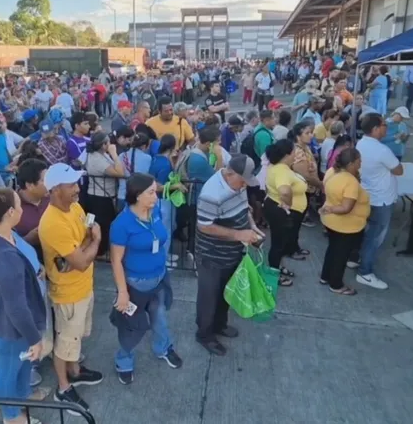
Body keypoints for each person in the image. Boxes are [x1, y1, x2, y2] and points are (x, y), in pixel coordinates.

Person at [0, 188, 50, 423]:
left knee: (20, 364)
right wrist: (35, 338)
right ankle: (11, 416)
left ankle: (23, 396)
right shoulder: (4, 258)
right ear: (9, 213)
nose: (22, 209)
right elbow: (16, 308)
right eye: (19, 205)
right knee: (8, 369)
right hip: (6, 328)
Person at [39, 163, 105, 414]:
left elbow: (87, 226)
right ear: (55, 190)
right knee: (65, 343)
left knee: (76, 339)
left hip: (83, 287)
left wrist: (86, 243)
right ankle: (63, 388)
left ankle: (75, 371)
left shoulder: (74, 205)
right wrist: (95, 240)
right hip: (67, 294)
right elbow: (80, 261)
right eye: (71, 185)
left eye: (77, 183)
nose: (78, 189)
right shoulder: (53, 222)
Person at [110, 174, 182, 385]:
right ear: (137, 196)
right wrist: (123, 293)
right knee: (131, 326)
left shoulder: (156, 211)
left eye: (155, 190)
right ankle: (124, 361)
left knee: (160, 316)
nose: (156, 195)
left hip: (159, 278)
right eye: (150, 192)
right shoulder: (122, 224)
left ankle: (163, 348)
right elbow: (116, 260)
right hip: (135, 285)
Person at [194, 155, 264, 356]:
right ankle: (204, 334)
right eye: (242, 180)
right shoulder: (211, 193)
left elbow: (244, 208)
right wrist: (238, 234)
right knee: (209, 296)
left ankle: (220, 324)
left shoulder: (238, 184)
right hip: (212, 254)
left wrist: (251, 226)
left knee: (226, 292)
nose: (244, 185)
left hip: (232, 251)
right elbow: (204, 226)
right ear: (230, 172)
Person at [353, 114, 403, 290]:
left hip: (366, 195)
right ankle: (365, 272)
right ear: (375, 129)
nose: (386, 128)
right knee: (375, 237)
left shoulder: (360, 144)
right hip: (381, 199)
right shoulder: (382, 151)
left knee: (363, 231)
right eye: (383, 125)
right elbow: (398, 170)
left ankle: (354, 259)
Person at [319, 148, 368, 296]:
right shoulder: (350, 182)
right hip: (345, 226)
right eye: (359, 161)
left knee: (333, 249)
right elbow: (346, 207)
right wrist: (332, 209)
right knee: (341, 255)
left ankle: (325, 276)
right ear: (352, 163)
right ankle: (336, 284)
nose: (361, 163)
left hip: (332, 223)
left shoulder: (333, 173)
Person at [262, 139, 306, 287]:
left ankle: (278, 267)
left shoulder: (279, 167)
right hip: (281, 211)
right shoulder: (281, 170)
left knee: (280, 242)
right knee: (278, 245)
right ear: (287, 154)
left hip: (276, 207)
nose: (296, 154)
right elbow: (285, 191)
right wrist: (289, 204)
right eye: (294, 151)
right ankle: (274, 274)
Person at [84, 132, 126, 254]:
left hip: (101, 195)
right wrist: (114, 153)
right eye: (108, 142)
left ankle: (97, 248)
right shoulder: (96, 159)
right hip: (99, 197)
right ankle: (99, 251)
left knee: (99, 222)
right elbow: (120, 172)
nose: (111, 144)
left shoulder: (100, 155)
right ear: (103, 145)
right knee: (100, 224)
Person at [289, 121, 323, 229]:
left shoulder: (306, 147)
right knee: (296, 222)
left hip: (307, 190)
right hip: (302, 191)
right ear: (298, 136)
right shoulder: (298, 152)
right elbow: (305, 176)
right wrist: (320, 184)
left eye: (311, 132)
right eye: (307, 133)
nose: (311, 135)